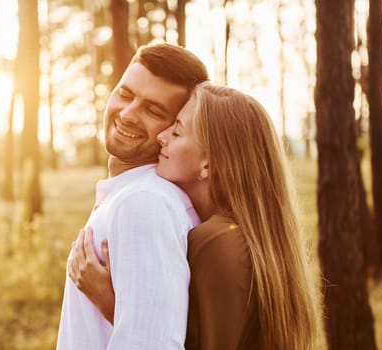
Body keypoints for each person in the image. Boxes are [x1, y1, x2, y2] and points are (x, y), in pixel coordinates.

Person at [68, 83, 324, 349]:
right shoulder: (245, 238)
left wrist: (109, 302)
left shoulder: (217, 242)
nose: (162, 137)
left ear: (209, 164)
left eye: (177, 131)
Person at [56, 43, 209, 349]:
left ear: (175, 126)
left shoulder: (144, 203)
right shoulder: (133, 194)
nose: (127, 114)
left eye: (153, 110)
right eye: (125, 94)